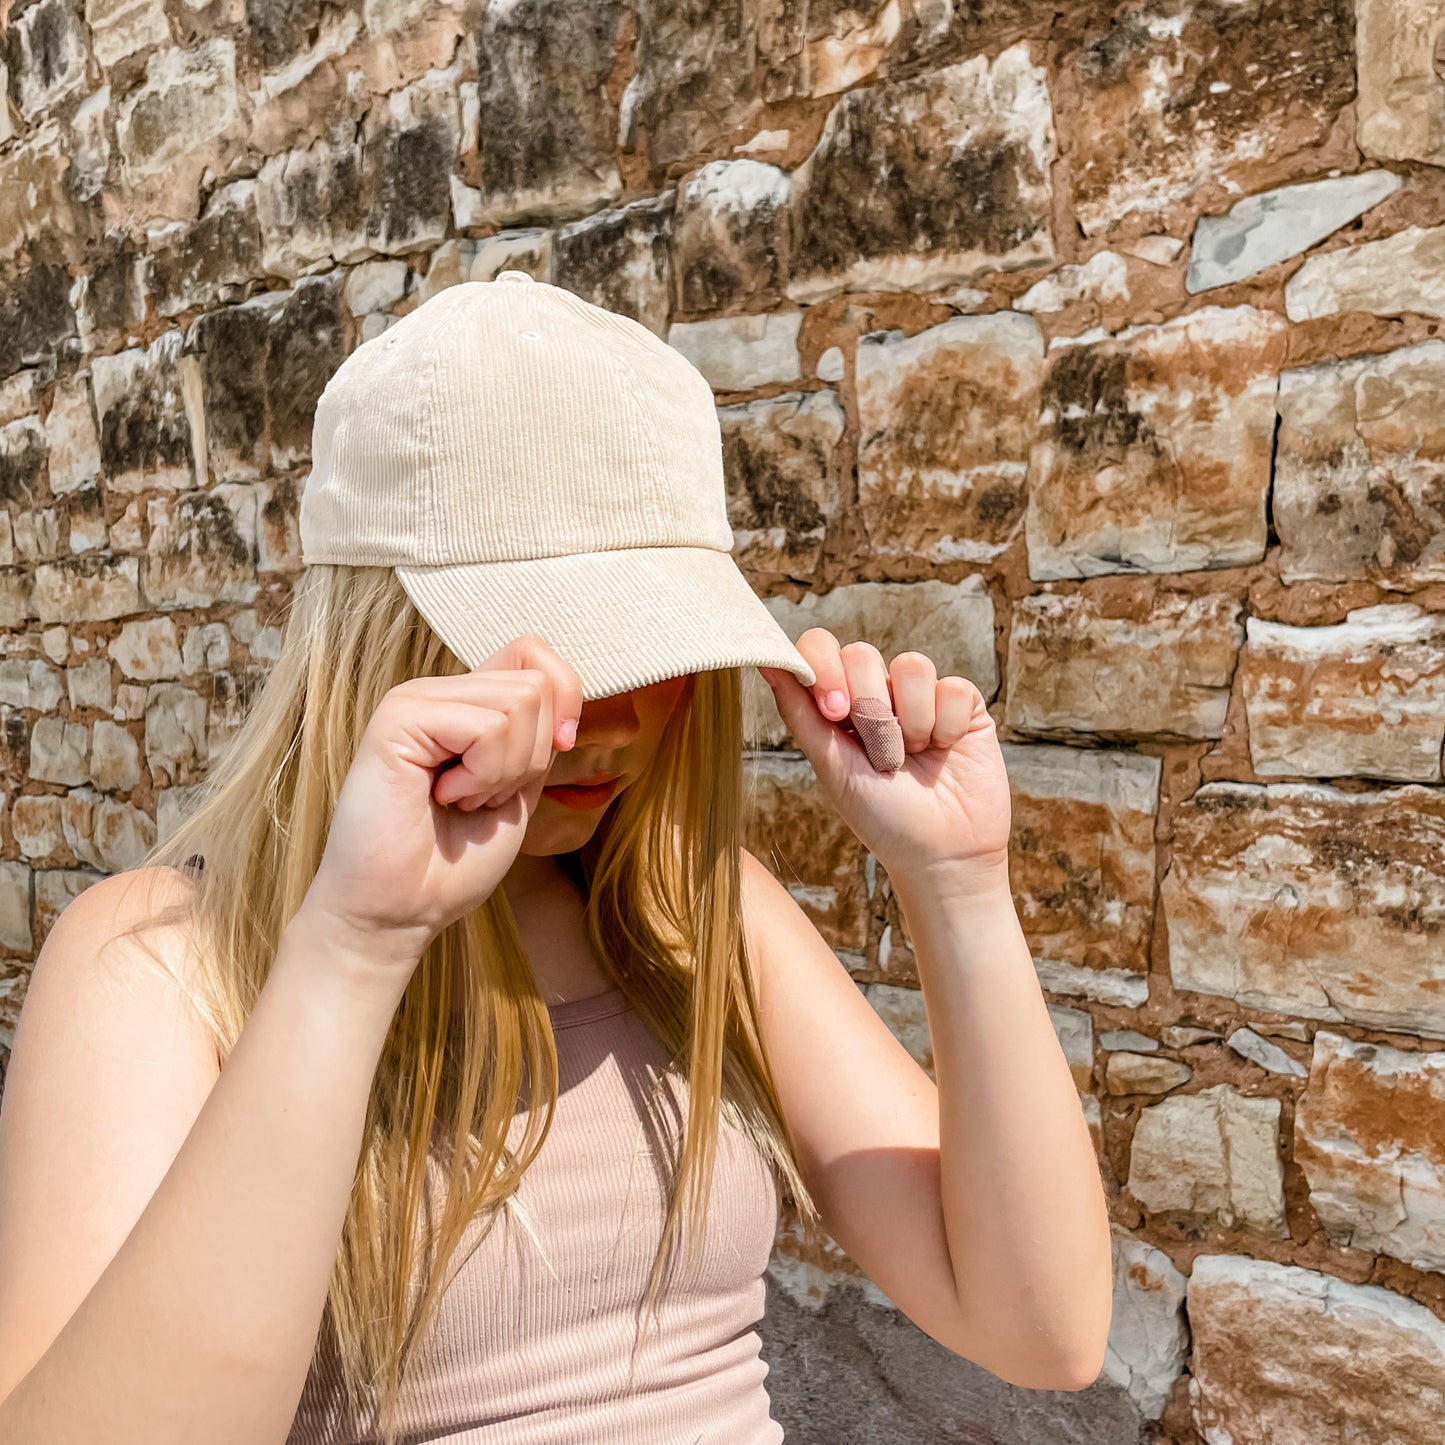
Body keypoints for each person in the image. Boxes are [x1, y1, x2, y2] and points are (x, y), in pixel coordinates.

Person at [0, 274, 1112, 1445]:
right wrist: (352, 947)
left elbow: (1039, 1329)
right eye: (557, 645)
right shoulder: (162, 966)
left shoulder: (696, 914)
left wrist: (955, 883)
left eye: (660, 644)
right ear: (380, 636)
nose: (622, 717)